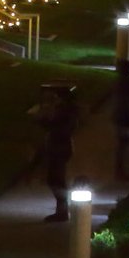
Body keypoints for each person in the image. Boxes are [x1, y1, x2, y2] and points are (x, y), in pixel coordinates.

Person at [37, 83, 79, 220]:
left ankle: (62, 211)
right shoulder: (65, 109)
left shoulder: (65, 110)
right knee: (55, 179)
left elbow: (61, 128)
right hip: (60, 147)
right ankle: (61, 210)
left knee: (56, 180)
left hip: (59, 148)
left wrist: (46, 123)